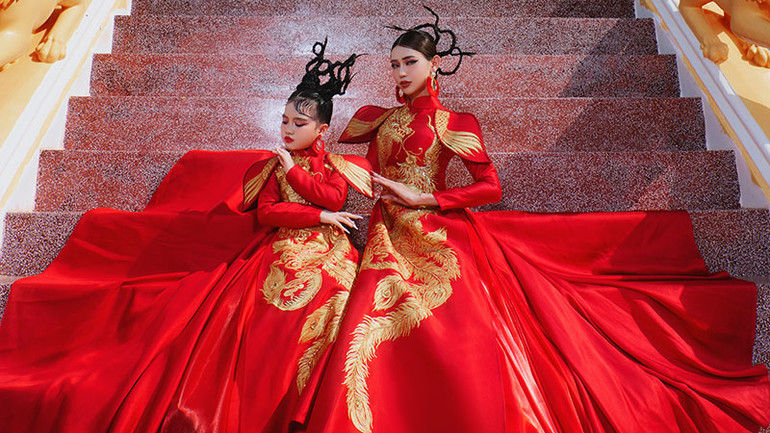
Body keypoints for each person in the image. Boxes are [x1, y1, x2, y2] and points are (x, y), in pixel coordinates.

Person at [296, 9, 770, 433]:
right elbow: (352, 166)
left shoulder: (454, 123)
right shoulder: (376, 118)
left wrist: (428, 198)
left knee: (426, 314)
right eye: (395, 65)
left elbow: (489, 187)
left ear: (434, 64)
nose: (401, 73)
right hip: (386, 228)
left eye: (410, 63)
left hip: (435, 229)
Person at [0, 39, 372, 433]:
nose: (288, 130)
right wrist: (316, 210)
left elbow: (333, 196)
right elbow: (267, 212)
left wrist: (307, 190)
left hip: (328, 248)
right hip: (282, 245)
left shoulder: (334, 165)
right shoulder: (274, 167)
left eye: (299, 124)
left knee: (337, 299)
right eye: (284, 121)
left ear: (321, 130)